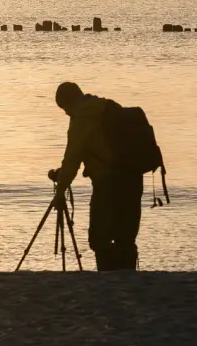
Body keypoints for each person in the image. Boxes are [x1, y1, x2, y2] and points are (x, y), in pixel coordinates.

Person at [51, 81, 143, 271]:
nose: (66, 113)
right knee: (125, 237)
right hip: (133, 177)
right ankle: (129, 280)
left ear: (68, 103)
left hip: (107, 183)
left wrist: (60, 191)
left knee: (99, 238)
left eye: (64, 109)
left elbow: (72, 160)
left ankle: (107, 279)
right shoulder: (107, 106)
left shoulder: (81, 118)